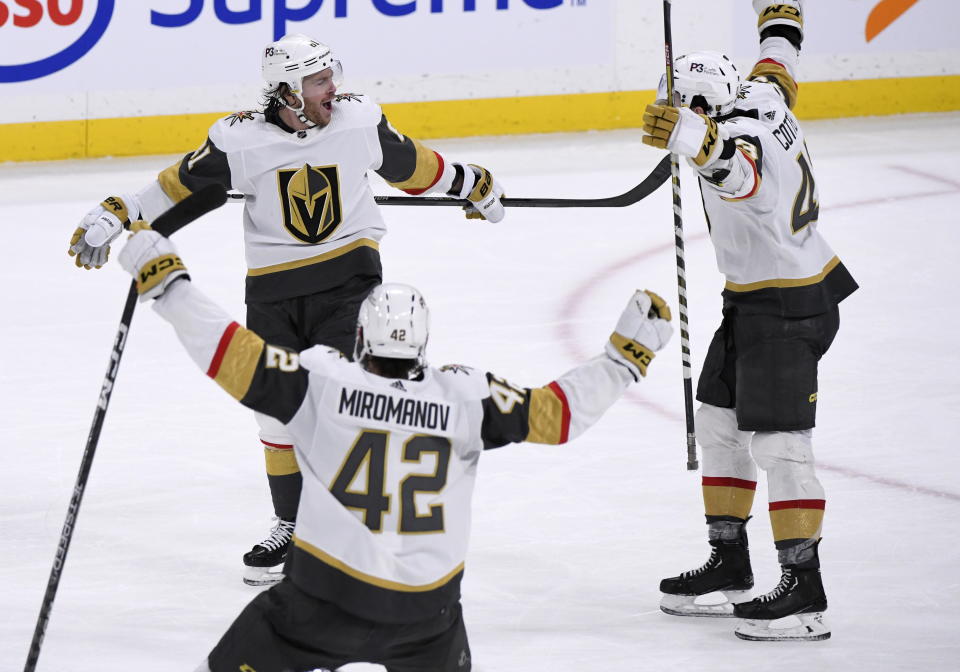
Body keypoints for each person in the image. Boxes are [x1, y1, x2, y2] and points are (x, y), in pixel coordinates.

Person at [114, 222, 674, 672]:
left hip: (319, 606)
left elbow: (231, 355)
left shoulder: (323, 384)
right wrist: (623, 360)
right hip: (425, 617)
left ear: (360, 338)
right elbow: (558, 416)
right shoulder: (464, 396)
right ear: (424, 344)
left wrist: (168, 284)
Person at [66, 34, 507, 586]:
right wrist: (119, 211)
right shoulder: (238, 140)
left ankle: (351, 532)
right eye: (319, 81)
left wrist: (473, 183)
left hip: (350, 280)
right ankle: (291, 524)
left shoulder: (357, 122)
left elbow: (415, 167)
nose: (333, 88)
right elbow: (176, 187)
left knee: (343, 403)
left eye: (331, 76)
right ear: (287, 92)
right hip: (272, 293)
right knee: (274, 413)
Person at [641, 0, 858, 641]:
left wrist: (693, 143)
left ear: (707, 107)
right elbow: (779, 59)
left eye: (686, 106)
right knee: (719, 423)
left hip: (787, 308)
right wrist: (781, 12)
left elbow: (738, 175)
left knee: (782, 446)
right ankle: (729, 563)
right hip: (755, 300)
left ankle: (805, 593)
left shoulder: (746, 137)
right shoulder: (760, 95)